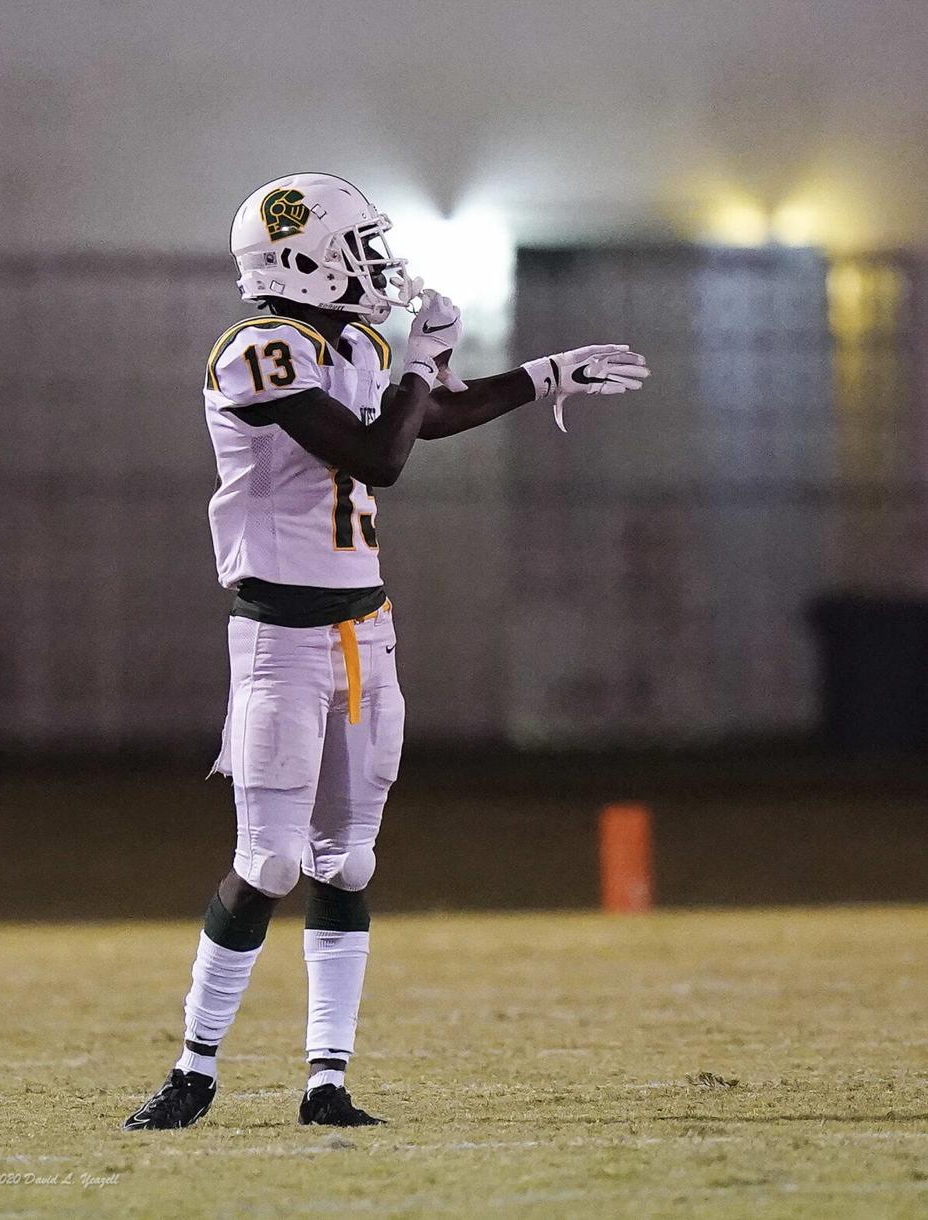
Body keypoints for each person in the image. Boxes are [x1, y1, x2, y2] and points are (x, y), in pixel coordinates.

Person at [122, 173, 649, 1131]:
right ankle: (193, 1068)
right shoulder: (258, 351)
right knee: (272, 859)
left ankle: (327, 1081)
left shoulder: (356, 340)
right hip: (278, 637)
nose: (375, 264)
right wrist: (419, 365)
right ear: (303, 260)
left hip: (366, 631)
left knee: (349, 861)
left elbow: (421, 421)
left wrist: (542, 375)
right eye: (357, 246)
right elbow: (376, 457)